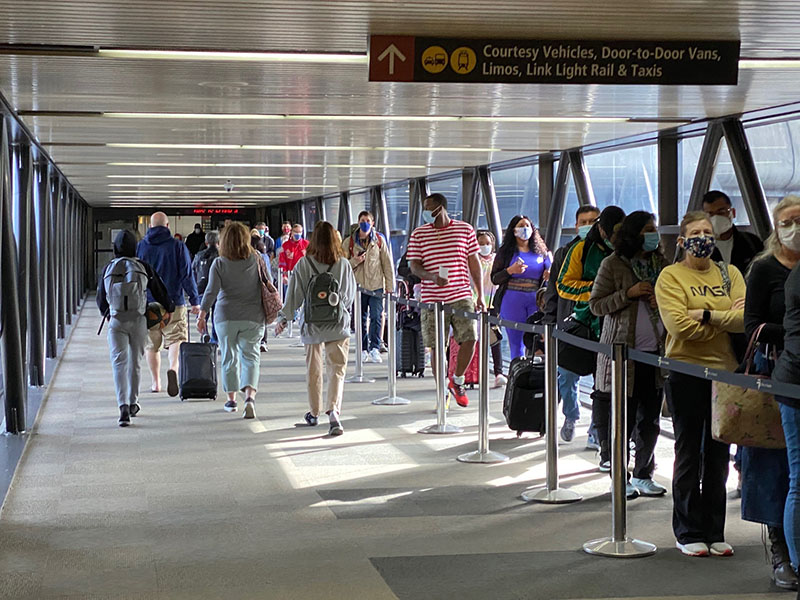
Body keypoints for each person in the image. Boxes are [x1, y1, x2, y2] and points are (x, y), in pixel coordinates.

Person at [655, 211, 745, 558]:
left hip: (726, 373)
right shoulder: (671, 276)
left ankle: (715, 528)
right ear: (682, 240)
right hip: (685, 371)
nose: (703, 237)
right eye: (696, 232)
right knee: (689, 451)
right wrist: (724, 317)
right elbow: (678, 327)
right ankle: (688, 529)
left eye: (708, 231)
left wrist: (706, 315)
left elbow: (744, 320)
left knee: (719, 454)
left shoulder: (730, 273)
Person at [742, 196, 800, 589]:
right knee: (773, 468)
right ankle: (781, 549)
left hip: (790, 363)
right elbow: (753, 326)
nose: (794, 228)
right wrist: (791, 330)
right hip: (774, 371)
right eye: (787, 222)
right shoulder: (764, 270)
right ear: (776, 228)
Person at [589, 211, 667, 499]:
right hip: (623, 360)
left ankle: (644, 473)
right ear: (634, 234)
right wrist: (628, 293)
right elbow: (596, 305)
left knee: (650, 422)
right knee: (622, 420)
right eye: (647, 229)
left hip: (655, 356)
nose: (653, 234)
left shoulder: (661, 264)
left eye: (654, 229)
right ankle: (619, 477)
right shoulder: (612, 265)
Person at [556, 205, 626, 469]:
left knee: (607, 386)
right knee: (570, 376)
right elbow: (562, 285)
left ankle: (602, 435)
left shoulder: (630, 249)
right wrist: (598, 292)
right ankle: (575, 417)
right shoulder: (581, 249)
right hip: (587, 324)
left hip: (619, 327)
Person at [275, 221, 355, 436]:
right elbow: (347, 298)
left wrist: (284, 319)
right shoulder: (344, 264)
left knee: (314, 369)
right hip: (338, 324)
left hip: (311, 325)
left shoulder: (303, 264)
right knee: (336, 369)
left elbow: (294, 296)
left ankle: (314, 411)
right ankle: (334, 412)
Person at [407, 193, 485, 408]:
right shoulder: (419, 234)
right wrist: (432, 277)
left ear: (440, 208)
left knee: (470, 337)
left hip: (461, 294)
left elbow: (474, 263)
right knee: (436, 347)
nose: (425, 212)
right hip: (432, 298)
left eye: (428, 207)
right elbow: (414, 265)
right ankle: (442, 392)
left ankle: (457, 380)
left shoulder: (465, 230)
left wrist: (479, 295)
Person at [97, 230, 175, 426]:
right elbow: (159, 290)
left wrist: (108, 312)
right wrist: (169, 308)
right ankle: (133, 402)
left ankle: (122, 406)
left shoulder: (108, 267)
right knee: (135, 362)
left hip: (117, 321)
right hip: (138, 319)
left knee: (119, 362)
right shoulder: (142, 266)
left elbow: (100, 299)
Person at [541, 205, 600, 443]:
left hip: (598, 327)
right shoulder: (565, 252)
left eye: (593, 221)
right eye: (583, 221)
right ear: (576, 225)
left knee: (603, 383)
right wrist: (549, 322)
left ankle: (597, 431)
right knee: (566, 376)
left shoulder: (608, 253)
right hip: (569, 324)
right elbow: (553, 289)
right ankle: (571, 415)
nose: (588, 226)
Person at [197, 222, 265, 419]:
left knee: (229, 356)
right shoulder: (256, 259)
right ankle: (250, 398)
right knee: (251, 357)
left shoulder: (219, 263)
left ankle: (232, 400)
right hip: (253, 316)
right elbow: (267, 282)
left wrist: (202, 315)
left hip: (225, 317)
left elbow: (211, 292)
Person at [137, 212, 201, 397]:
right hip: (174, 302)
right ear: (167, 226)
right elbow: (187, 275)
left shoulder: (141, 246)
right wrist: (195, 301)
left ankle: (156, 382)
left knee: (152, 345)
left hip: (148, 303)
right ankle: (173, 367)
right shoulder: (177, 246)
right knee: (176, 339)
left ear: (150, 227)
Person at [491, 215, 550, 360]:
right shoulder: (506, 252)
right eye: (521, 226)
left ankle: (539, 376)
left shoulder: (541, 251)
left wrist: (549, 271)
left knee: (538, 341)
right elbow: (494, 278)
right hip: (512, 299)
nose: (525, 229)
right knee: (516, 342)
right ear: (513, 230)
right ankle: (516, 376)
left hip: (535, 299)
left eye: (527, 226)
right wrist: (510, 271)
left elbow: (550, 270)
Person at [342, 211, 395, 364]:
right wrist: (355, 261)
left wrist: (390, 286)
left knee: (376, 317)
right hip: (357, 287)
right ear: (358, 222)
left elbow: (387, 263)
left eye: (368, 220)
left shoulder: (379, 240)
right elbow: (342, 265)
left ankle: (375, 348)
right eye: (362, 220)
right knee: (360, 318)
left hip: (376, 285)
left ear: (372, 223)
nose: (365, 223)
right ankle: (363, 348)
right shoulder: (349, 242)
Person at [703, 190, 764, 274]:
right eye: (710, 214)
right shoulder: (697, 246)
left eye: (721, 212)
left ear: (733, 213)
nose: (716, 218)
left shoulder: (751, 242)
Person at [475, 230, 506, 388]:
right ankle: (474, 372)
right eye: (481, 243)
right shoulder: (472, 260)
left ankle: (498, 372)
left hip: (493, 304)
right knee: (473, 339)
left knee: (495, 338)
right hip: (475, 304)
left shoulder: (496, 260)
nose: (484, 246)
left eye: (487, 243)